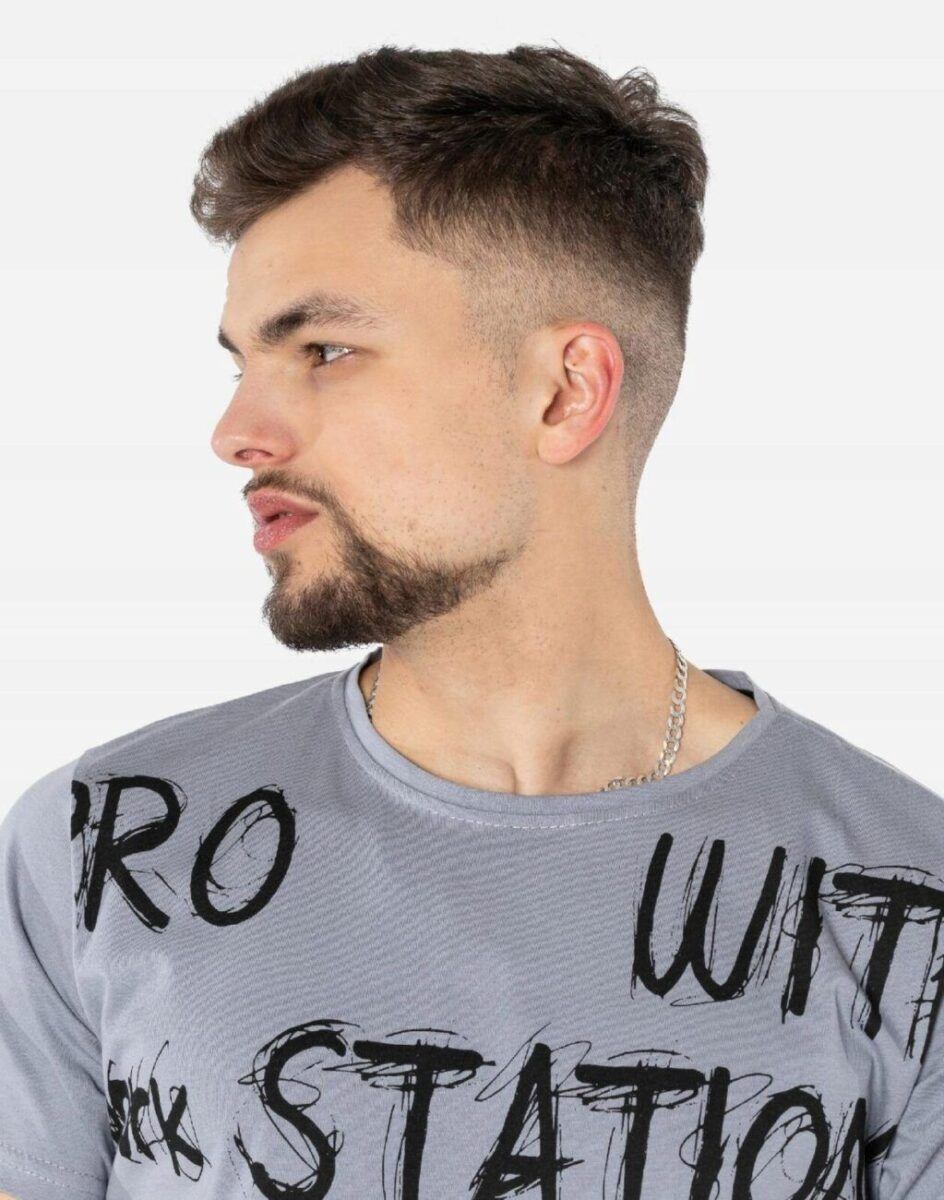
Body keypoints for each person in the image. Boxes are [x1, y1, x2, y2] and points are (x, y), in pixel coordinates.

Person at [1, 43, 941, 1200]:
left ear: (563, 392)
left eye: (324, 351)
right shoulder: (106, 847)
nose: (238, 431)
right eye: (243, 363)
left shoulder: (905, 897)